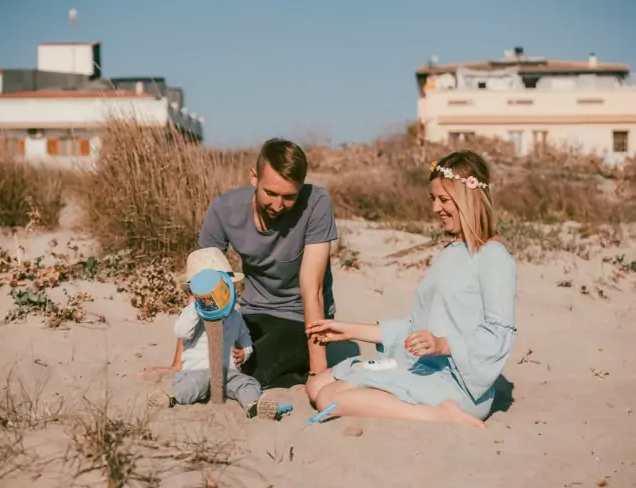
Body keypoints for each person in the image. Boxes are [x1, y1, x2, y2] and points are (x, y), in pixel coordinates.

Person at [305, 150, 518, 427]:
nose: (435, 209)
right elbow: (415, 328)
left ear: (469, 198)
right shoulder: (451, 251)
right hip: (423, 365)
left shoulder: (493, 256)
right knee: (317, 385)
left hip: (459, 384)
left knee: (329, 398)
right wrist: (348, 329)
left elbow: (499, 334)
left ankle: (443, 415)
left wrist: (444, 345)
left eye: (444, 200)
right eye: (433, 199)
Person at [165, 138, 338, 389]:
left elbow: (313, 288)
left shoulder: (316, 203)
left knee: (241, 372)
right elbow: (201, 284)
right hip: (251, 312)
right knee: (210, 362)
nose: (278, 205)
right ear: (254, 178)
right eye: (270, 193)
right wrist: (178, 363)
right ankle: (288, 376)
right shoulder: (224, 210)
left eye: (289, 196)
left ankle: (299, 372)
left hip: (300, 318)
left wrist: (319, 373)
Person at [147, 249, 293, 420]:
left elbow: (246, 339)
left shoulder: (235, 315)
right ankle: (170, 399)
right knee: (191, 386)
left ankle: (254, 405)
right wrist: (197, 307)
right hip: (197, 370)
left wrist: (244, 353)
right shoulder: (191, 314)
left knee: (245, 384)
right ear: (194, 293)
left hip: (228, 372)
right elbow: (182, 332)